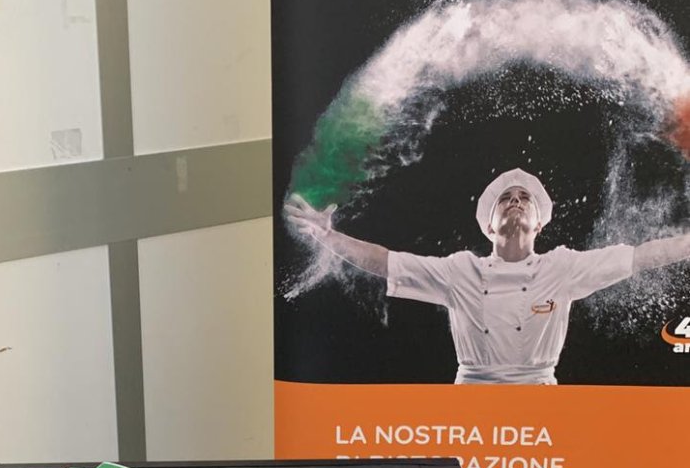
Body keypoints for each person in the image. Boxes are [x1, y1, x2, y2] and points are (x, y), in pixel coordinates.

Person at [286, 168, 690, 384]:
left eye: (524, 198)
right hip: (471, 403)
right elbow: (385, 262)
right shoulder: (460, 270)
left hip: (542, 404)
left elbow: (641, 257)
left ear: (540, 224)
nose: (515, 201)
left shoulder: (562, 267)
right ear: (489, 226)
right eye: (506, 199)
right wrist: (328, 235)